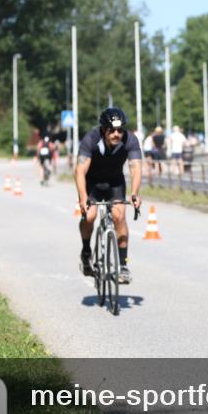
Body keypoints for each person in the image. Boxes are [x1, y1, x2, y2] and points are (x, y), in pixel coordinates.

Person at [75, 107, 142, 284]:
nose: (116, 134)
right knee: (89, 216)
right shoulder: (91, 139)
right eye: (112, 130)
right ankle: (86, 251)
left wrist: (135, 193)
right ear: (104, 130)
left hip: (115, 182)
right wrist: (83, 197)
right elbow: (80, 171)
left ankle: (122, 266)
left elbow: (135, 168)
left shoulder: (130, 140)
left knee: (119, 216)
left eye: (120, 130)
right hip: (92, 183)